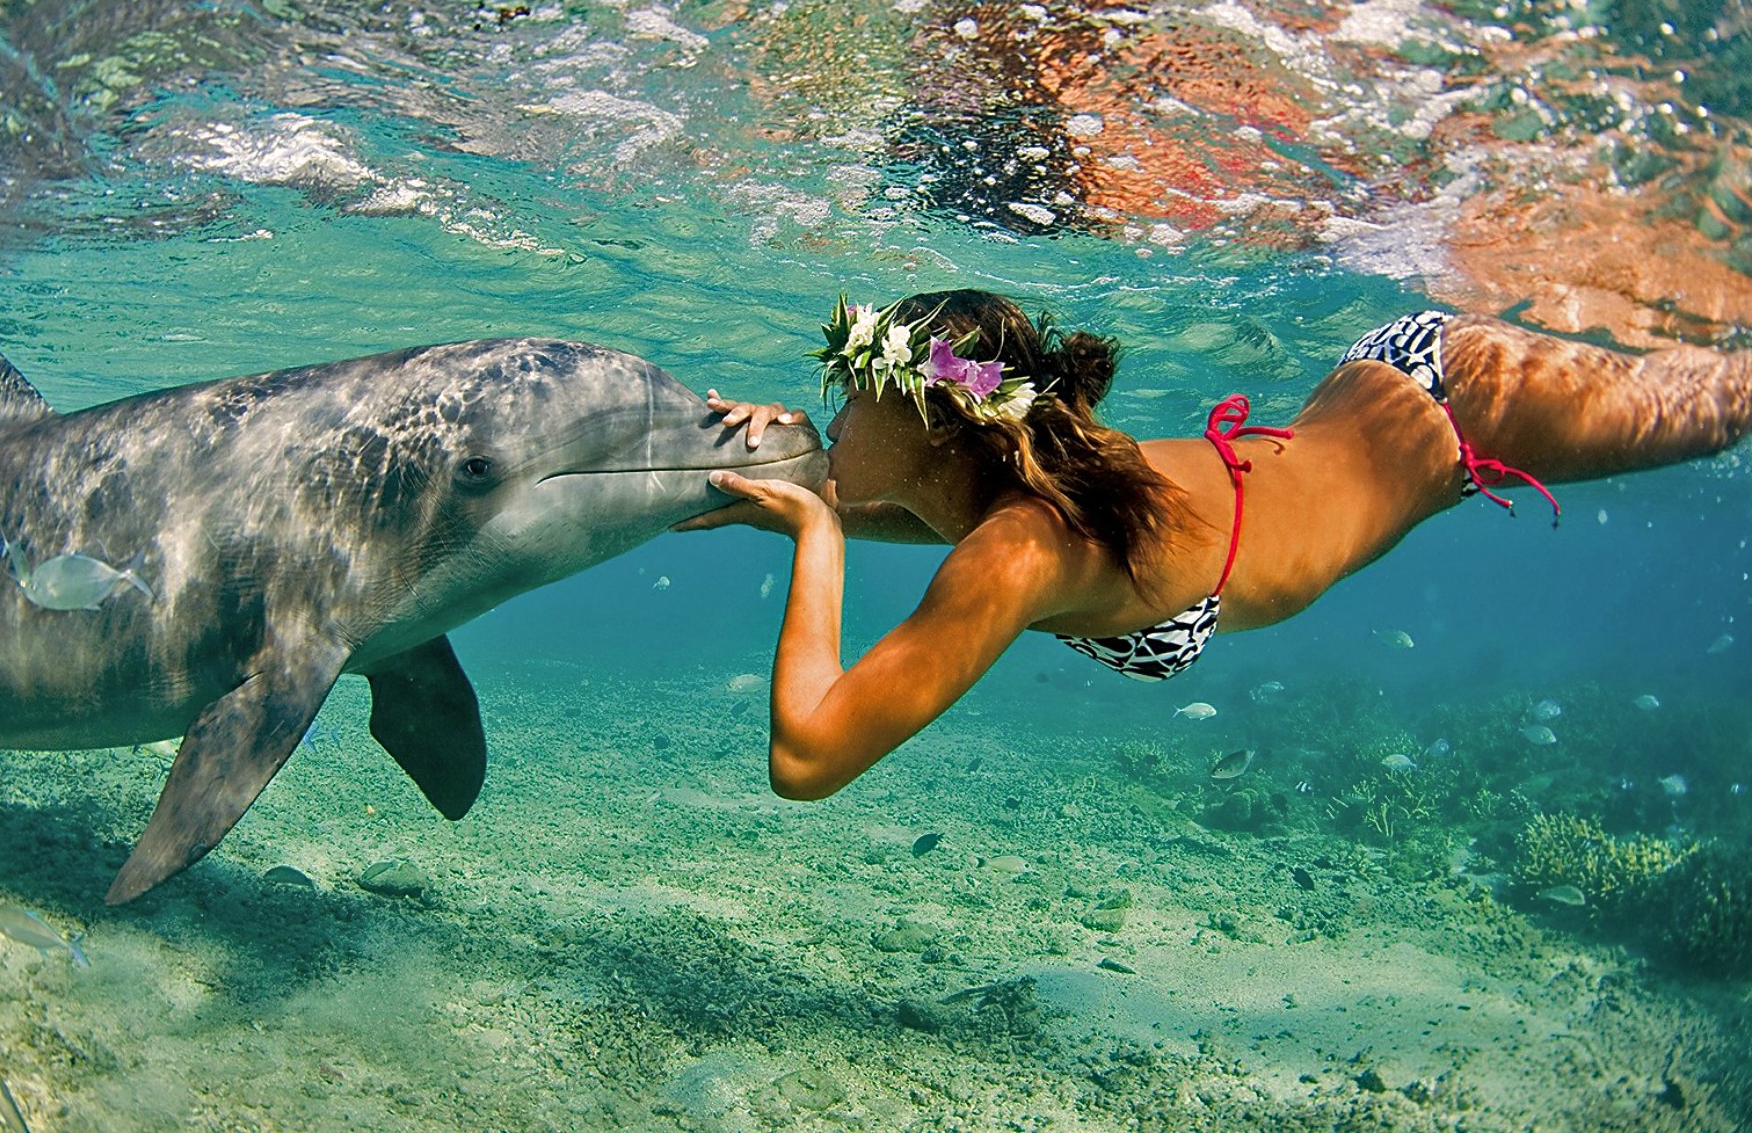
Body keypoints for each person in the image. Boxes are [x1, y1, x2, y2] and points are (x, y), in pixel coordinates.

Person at [677, 290, 1752, 800]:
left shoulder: (1017, 550)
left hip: (1462, 404)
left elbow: (808, 758)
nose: (834, 416)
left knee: (1726, 396)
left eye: (854, 396)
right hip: (1390, 381)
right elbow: (899, 501)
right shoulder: (1011, 480)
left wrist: (815, 533)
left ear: (939, 422)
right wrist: (781, 468)